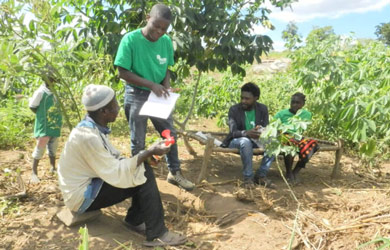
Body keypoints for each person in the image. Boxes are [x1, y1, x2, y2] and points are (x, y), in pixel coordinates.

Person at [57, 84, 187, 247]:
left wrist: (145, 157)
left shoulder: (91, 128)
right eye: (115, 105)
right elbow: (116, 171)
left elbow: (112, 160)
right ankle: (157, 234)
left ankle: (135, 220)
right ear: (104, 111)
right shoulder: (88, 137)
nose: (118, 108)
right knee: (143, 173)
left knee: (140, 169)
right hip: (81, 197)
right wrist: (147, 153)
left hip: (87, 185)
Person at [114, 3, 194, 191]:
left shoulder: (166, 41)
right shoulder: (130, 40)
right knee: (138, 141)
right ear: (147, 18)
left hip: (158, 95)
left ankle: (174, 173)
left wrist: (165, 86)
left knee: (169, 134)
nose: (159, 31)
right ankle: (138, 179)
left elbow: (165, 68)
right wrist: (151, 85)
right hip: (136, 94)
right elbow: (122, 72)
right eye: (156, 26)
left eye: (163, 28)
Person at [259, 92, 319, 184]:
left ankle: (296, 171)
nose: (294, 105)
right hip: (283, 137)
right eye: (293, 102)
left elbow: (303, 128)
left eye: (297, 103)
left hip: (298, 138)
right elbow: (273, 128)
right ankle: (289, 172)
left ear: (303, 104)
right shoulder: (281, 114)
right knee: (290, 144)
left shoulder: (307, 114)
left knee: (313, 144)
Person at [221, 82, 272, 188]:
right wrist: (246, 133)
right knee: (245, 141)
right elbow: (233, 132)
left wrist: (261, 132)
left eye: (247, 99)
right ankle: (248, 178)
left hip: (256, 140)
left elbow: (266, 126)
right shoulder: (234, 109)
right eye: (242, 98)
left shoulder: (262, 109)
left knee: (274, 142)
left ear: (256, 98)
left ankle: (261, 175)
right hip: (237, 141)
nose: (243, 101)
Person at [28, 77, 62, 183]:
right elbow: (32, 106)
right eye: (50, 80)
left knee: (53, 144)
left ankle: (53, 167)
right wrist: (42, 115)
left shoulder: (56, 92)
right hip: (44, 123)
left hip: (55, 122)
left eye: (53, 80)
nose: (52, 82)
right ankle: (34, 172)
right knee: (41, 145)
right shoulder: (40, 92)